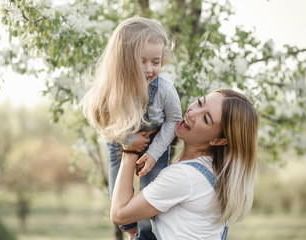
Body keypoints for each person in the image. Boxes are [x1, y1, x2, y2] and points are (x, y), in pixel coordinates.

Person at [81, 16, 182, 239]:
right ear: (124, 61)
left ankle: (146, 234)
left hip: (155, 141)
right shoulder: (112, 88)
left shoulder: (165, 89)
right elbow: (103, 124)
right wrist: (129, 141)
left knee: (151, 192)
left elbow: (174, 119)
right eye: (142, 61)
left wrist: (154, 153)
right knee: (116, 192)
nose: (149, 70)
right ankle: (131, 230)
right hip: (120, 140)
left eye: (156, 62)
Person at [110, 89, 258, 240]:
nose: (192, 113)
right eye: (200, 103)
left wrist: (130, 149)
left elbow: (120, 214)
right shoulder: (214, 173)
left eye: (205, 118)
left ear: (218, 141)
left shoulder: (185, 176)